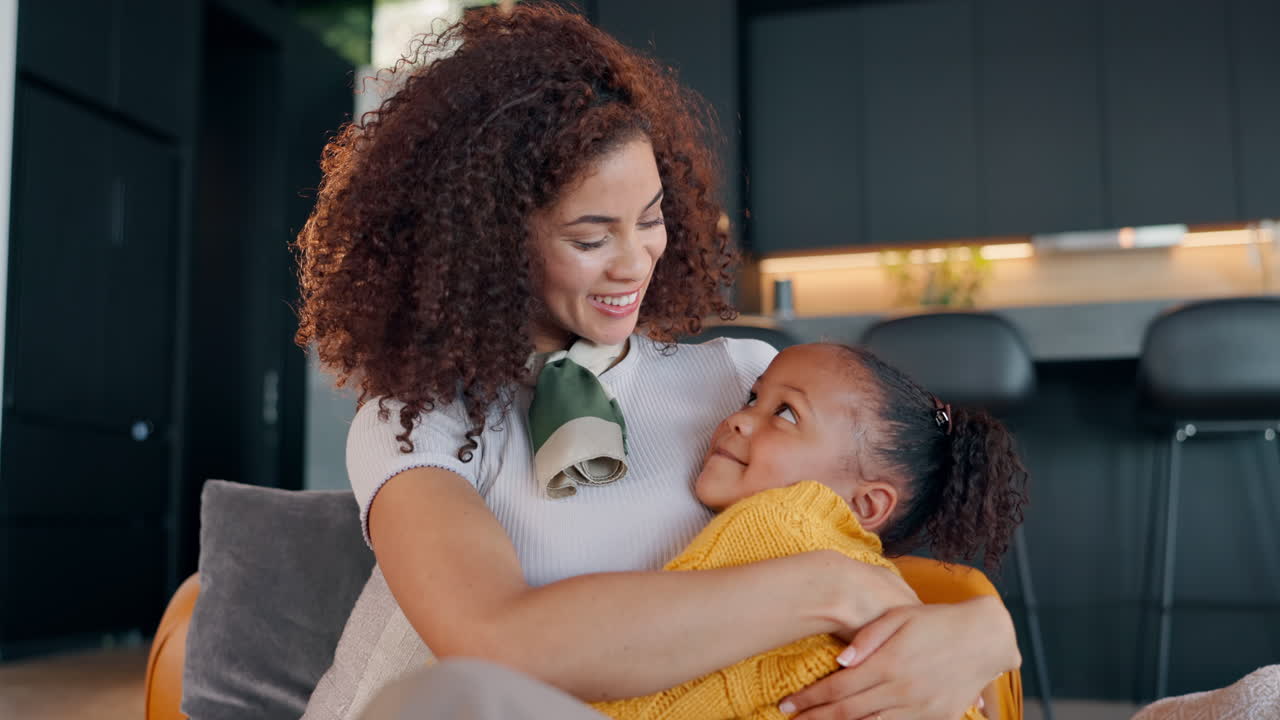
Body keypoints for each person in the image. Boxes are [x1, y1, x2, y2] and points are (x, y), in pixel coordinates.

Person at [293, 5, 1021, 720]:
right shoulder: (418, 423)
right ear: (487, 244)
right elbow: (494, 646)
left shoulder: (747, 381)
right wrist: (832, 589)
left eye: (650, 219)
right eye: (590, 238)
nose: (635, 262)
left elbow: (869, 540)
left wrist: (986, 632)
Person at [592, 343, 1028, 720]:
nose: (738, 419)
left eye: (785, 413)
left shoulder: (780, 518)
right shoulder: (870, 575)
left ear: (866, 504)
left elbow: (644, 690)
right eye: (752, 398)